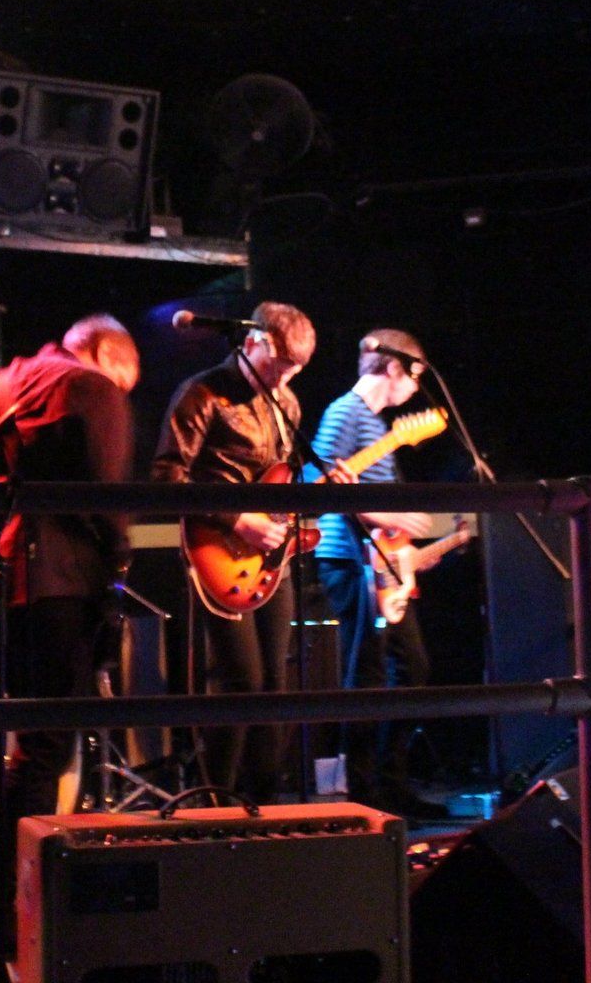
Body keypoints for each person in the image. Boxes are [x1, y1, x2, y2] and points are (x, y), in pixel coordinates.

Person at [0, 314, 140, 963]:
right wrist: (118, 567)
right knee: (47, 747)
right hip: (55, 580)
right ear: (104, 352)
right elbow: (106, 496)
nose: (123, 396)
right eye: (125, 381)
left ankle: (5, 909)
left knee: (35, 743)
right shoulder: (89, 386)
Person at [152, 301, 315, 802]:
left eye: (295, 371)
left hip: (271, 558)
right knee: (241, 681)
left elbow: (283, 481)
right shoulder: (202, 394)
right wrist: (236, 519)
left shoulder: (287, 406)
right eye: (277, 366)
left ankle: (263, 804)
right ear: (251, 344)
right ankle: (214, 801)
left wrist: (311, 507)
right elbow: (164, 478)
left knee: (275, 686)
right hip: (216, 550)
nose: (283, 379)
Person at [307, 328, 448, 818]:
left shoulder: (375, 424)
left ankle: (390, 784)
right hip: (348, 559)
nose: (414, 388)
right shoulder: (345, 413)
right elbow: (315, 484)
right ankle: (364, 794)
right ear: (393, 368)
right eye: (414, 376)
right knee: (366, 671)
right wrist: (390, 517)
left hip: (379, 565)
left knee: (411, 667)